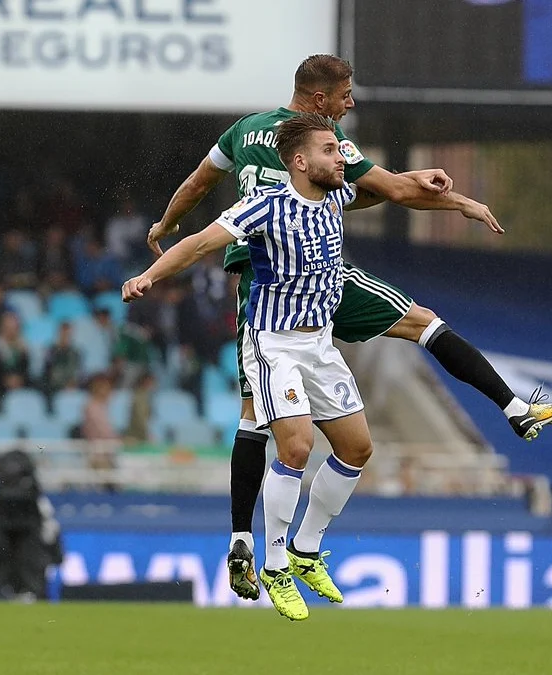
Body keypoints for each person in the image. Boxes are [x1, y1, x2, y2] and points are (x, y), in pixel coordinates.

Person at [145, 54, 552, 600]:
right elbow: (388, 191)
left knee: (261, 416)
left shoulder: (245, 131)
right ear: (321, 101)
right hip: (286, 288)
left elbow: (200, 182)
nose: (351, 103)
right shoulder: (328, 142)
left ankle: (243, 540)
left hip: (282, 281)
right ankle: (270, 550)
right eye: (345, 94)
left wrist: (163, 222)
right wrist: (453, 198)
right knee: (307, 416)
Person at [126, 113, 370, 621]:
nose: (341, 156)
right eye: (330, 150)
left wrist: (445, 194)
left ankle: (305, 549)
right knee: (297, 445)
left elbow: (391, 188)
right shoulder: (264, 206)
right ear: (299, 162)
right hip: (272, 344)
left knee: (357, 447)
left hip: (321, 345)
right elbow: (198, 243)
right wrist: (149, 275)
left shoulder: (338, 196)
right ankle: (276, 564)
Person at [0, 449, 63, 600]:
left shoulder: (36, 502)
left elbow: (50, 529)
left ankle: (26, 591)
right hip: (3, 557)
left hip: (27, 555)